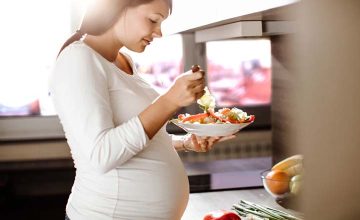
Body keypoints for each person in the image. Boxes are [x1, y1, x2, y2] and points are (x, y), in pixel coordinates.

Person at [49, 0, 234, 219]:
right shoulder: (78, 58)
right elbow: (101, 154)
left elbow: (134, 136)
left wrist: (183, 142)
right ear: (119, 6)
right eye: (153, 20)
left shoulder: (123, 60)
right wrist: (170, 101)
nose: (159, 32)